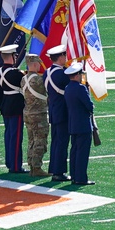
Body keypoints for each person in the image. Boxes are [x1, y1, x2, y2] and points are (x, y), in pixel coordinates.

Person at [64, 63, 96, 185]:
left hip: (73, 123)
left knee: (74, 151)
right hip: (83, 124)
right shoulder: (80, 88)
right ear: (77, 75)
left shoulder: (68, 88)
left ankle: (74, 175)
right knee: (82, 152)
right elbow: (89, 105)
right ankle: (81, 178)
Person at [0, 44, 26, 173]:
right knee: (15, 137)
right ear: (12, 57)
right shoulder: (15, 74)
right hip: (16, 107)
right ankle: (15, 166)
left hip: (5, 106)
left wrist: (1, 107)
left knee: (9, 135)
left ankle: (10, 162)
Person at [21, 54, 50, 177]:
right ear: (34, 64)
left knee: (31, 140)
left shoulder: (23, 79)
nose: (39, 65)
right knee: (40, 141)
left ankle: (31, 165)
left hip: (27, 113)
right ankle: (37, 167)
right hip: (39, 114)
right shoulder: (38, 80)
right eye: (38, 63)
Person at [45, 45, 71, 181]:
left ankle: (54, 168)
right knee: (61, 142)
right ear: (60, 57)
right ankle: (59, 171)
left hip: (54, 110)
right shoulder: (61, 74)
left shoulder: (47, 72)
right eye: (64, 56)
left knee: (56, 141)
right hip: (62, 111)